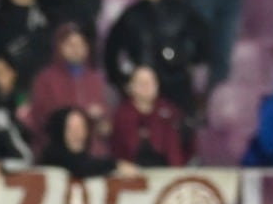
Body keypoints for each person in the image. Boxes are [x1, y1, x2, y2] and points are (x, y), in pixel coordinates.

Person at [104, 0, 207, 114]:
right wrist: (120, 81)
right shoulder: (132, 14)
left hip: (176, 86)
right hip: (142, 87)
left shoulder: (184, 12)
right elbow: (111, 48)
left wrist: (186, 61)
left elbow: (203, 45)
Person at [26, 25, 111, 157]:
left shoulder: (97, 80)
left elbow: (106, 123)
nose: (76, 49)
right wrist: (78, 117)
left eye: (81, 44)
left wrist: (101, 122)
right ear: (60, 47)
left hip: (92, 153)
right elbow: (41, 118)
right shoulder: (45, 79)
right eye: (70, 44)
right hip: (57, 152)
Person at [110, 66, 186, 168]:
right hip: (131, 174)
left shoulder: (169, 112)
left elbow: (175, 151)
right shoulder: (122, 115)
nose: (146, 87)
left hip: (165, 171)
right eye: (141, 83)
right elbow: (119, 152)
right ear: (131, 87)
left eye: (150, 82)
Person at [41, 108, 130, 179]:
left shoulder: (87, 157)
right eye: (70, 127)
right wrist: (114, 164)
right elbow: (80, 168)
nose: (76, 131)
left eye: (81, 126)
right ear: (60, 130)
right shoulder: (53, 156)